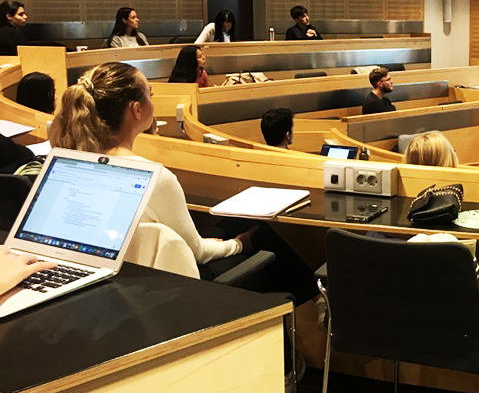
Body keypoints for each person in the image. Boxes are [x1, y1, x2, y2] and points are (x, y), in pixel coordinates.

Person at [49, 62, 316, 304]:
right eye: (150, 94)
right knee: (265, 238)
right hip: (179, 288)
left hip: (118, 282)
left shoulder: (71, 163)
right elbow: (197, 252)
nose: (153, 101)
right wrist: (239, 245)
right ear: (136, 109)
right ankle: (314, 302)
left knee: (240, 223)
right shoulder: (155, 177)